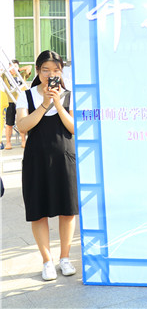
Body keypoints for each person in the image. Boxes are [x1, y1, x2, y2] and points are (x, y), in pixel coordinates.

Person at [15, 50, 78, 281]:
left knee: (67, 211)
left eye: (56, 70)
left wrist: (58, 104)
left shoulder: (69, 95)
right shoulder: (27, 96)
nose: (51, 75)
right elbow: (22, 126)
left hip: (64, 159)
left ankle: (65, 258)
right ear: (38, 70)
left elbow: (74, 128)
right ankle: (47, 261)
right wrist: (44, 104)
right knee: (38, 212)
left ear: (61, 72)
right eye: (46, 70)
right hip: (36, 161)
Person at [2, 59, 31, 150]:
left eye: (15, 66)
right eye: (11, 66)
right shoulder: (5, 75)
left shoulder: (21, 75)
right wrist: (7, 69)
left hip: (21, 102)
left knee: (21, 122)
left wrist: (18, 69)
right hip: (10, 102)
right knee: (9, 123)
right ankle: (8, 143)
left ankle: (23, 141)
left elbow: (29, 67)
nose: (13, 68)